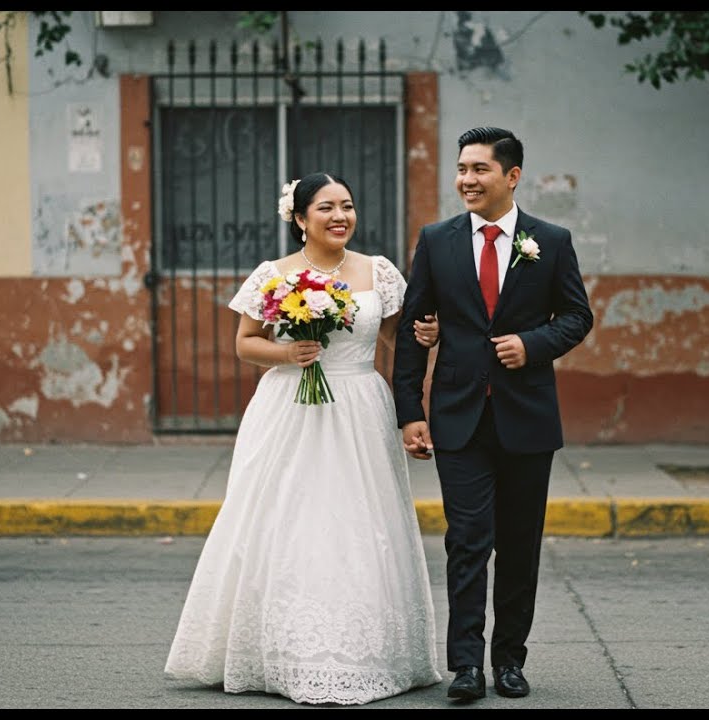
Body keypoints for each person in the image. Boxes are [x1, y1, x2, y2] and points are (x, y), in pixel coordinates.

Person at [164, 172, 443, 705]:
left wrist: (425, 333)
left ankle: (363, 650)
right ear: (299, 219)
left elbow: (396, 336)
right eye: (326, 208)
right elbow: (246, 344)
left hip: (359, 406)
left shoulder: (377, 271)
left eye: (348, 206)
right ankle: (283, 650)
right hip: (289, 408)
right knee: (288, 521)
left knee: (359, 524)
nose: (340, 217)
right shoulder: (274, 275)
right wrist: (288, 354)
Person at [392, 127, 594, 702]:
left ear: (511, 176)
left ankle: (509, 661)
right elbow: (414, 327)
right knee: (468, 540)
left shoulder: (550, 242)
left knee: (520, 545)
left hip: (527, 417)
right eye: (461, 169)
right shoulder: (437, 240)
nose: (466, 180)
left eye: (479, 169)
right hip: (458, 418)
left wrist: (532, 344)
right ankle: (465, 667)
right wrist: (410, 410)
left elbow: (577, 317)